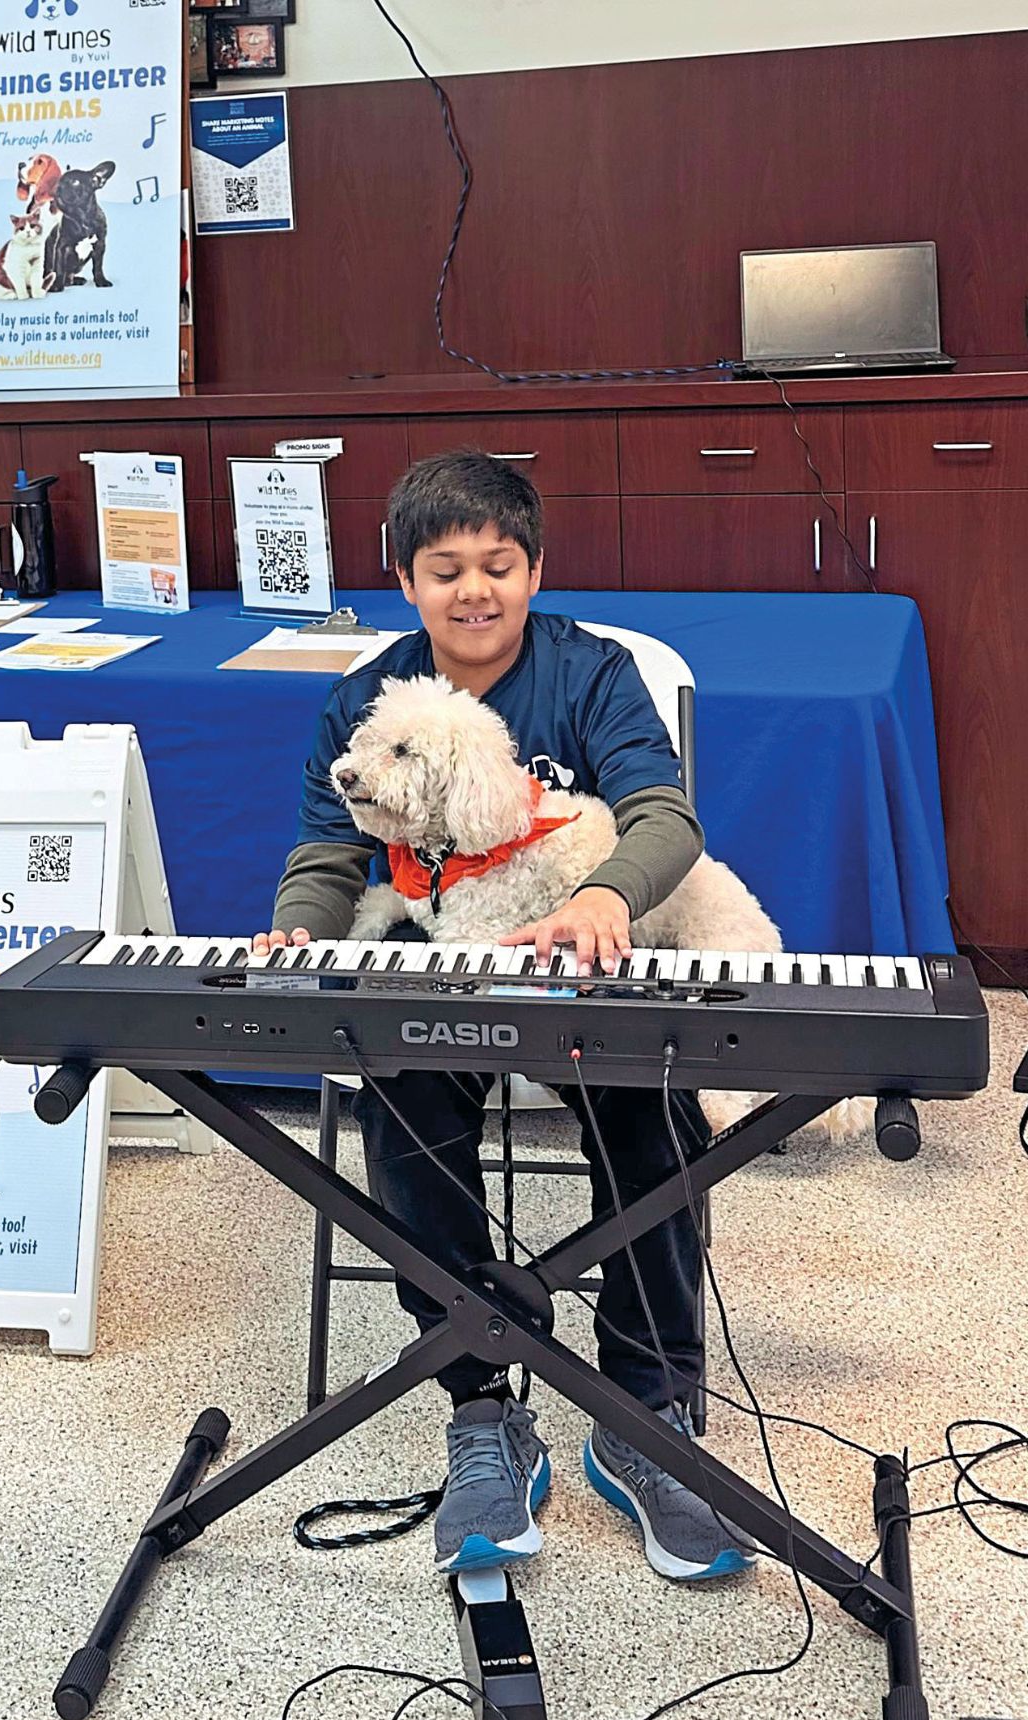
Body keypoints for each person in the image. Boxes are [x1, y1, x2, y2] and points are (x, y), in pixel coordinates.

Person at [254, 449, 753, 1586]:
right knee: (404, 1102)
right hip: (442, 974)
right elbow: (330, 853)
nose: (474, 590)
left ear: (535, 570)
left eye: (499, 564)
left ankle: (645, 1411)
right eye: (445, 570)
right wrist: (298, 926)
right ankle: (481, 1402)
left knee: (652, 1113)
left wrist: (602, 894)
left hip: (586, 976)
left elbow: (664, 817)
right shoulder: (366, 699)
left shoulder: (595, 674)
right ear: (405, 580)